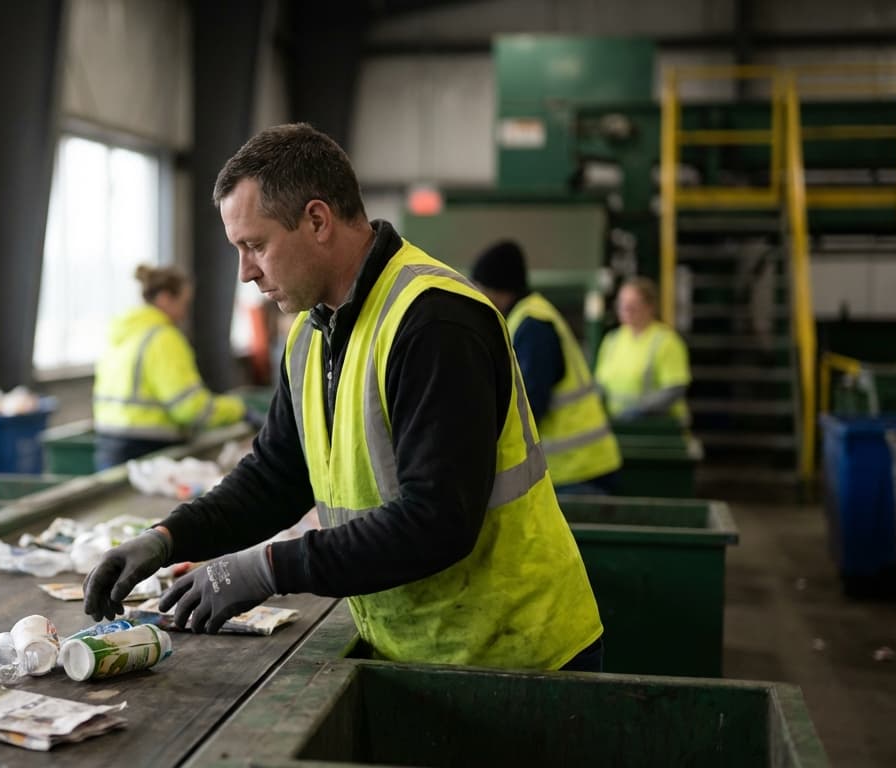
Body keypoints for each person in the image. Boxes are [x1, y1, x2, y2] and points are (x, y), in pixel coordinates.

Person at [84, 124, 604, 672]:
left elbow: (437, 521)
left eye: (255, 246)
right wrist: (167, 538)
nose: (246, 273)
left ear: (317, 220)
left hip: (519, 657)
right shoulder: (311, 334)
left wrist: (268, 568)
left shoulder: (434, 322)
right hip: (419, 649)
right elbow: (275, 478)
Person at [471, 240, 621, 495]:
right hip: (578, 466)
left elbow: (529, 403)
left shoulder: (534, 326)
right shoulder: (525, 317)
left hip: (577, 471)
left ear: (498, 289)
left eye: (481, 288)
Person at [93, 264, 259, 471]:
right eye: (184, 303)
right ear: (164, 298)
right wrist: (238, 409)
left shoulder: (124, 334)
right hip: (148, 450)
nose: (185, 313)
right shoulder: (163, 338)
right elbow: (190, 407)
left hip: (109, 448)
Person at [594, 278, 692, 425]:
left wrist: (641, 409)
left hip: (657, 428)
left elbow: (675, 388)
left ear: (650, 307)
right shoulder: (611, 341)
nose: (626, 309)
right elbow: (600, 384)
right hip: (617, 425)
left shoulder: (666, 342)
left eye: (633, 304)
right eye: (622, 303)